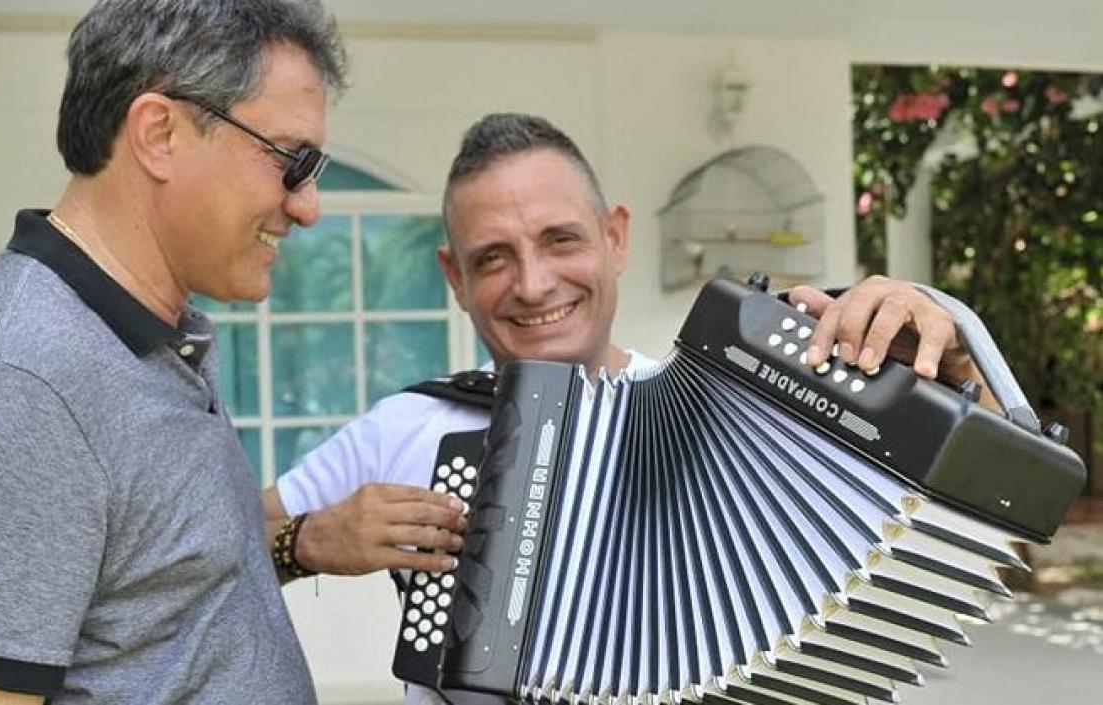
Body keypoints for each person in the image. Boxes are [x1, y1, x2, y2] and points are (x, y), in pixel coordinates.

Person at [261, 113, 977, 584]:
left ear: (617, 238)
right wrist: (305, 541)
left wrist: (948, 373)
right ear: (455, 278)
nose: (534, 284)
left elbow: (971, 511)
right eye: (493, 258)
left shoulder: (739, 422)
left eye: (561, 240)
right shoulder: (407, 428)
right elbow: (213, 551)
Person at [0, 1, 346, 702]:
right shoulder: (11, 386)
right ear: (158, 133)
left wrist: (301, 542)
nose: (308, 205)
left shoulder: (154, 336)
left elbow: (147, 594)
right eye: (292, 161)